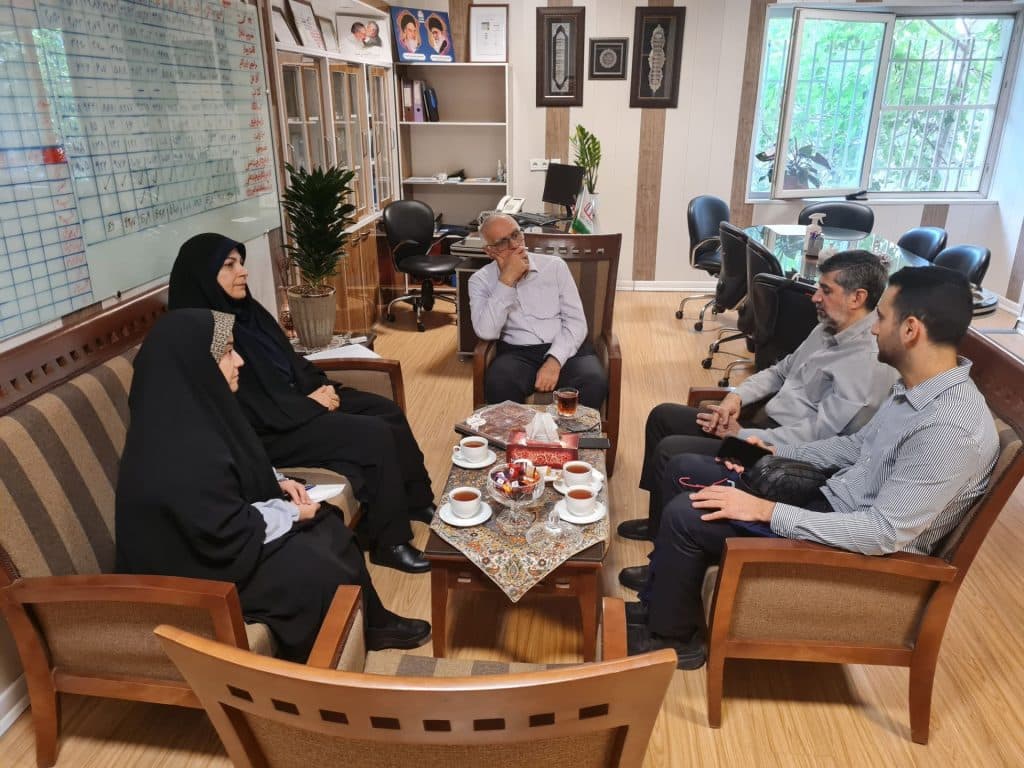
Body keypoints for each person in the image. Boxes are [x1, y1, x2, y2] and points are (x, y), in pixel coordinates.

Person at [625, 266, 998, 670]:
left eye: (882, 317)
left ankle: (675, 639)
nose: (874, 329)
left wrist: (766, 510)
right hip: (827, 496)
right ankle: (662, 599)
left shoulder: (949, 428)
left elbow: (882, 532)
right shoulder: (913, 387)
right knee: (684, 466)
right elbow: (854, 445)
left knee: (688, 512)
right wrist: (770, 451)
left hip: (853, 549)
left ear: (910, 329)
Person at [115, 309, 431, 662]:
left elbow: (239, 459)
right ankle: (318, 673)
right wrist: (292, 514)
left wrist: (278, 481)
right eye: (227, 352)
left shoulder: (198, 409)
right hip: (191, 571)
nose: (240, 361)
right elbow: (220, 528)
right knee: (313, 566)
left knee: (326, 525)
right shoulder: (174, 447)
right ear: (196, 365)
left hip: (214, 543)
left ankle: (371, 623)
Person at [168, 233, 434, 575]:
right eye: (229, 265)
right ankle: (390, 543)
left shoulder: (248, 311)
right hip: (270, 432)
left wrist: (323, 388)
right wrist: (311, 406)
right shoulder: (206, 332)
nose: (243, 271)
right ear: (203, 276)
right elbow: (245, 406)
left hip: (296, 403)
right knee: (374, 434)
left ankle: (417, 501)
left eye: (241, 262)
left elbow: (291, 361)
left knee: (387, 411)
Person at [619, 250, 894, 565]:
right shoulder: (828, 327)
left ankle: (663, 551)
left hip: (780, 453)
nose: (815, 297)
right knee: (663, 416)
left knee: (672, 451)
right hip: (761, 424)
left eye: (826, 290)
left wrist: (741, 435)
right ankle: (657, 524)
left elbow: (819, 436)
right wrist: (735, 398)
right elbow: (779, 371)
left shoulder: (867, 362)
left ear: (857, 297)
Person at [469, 212, 608, 410]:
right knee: (499, 383)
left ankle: (566, 431)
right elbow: (487, 332)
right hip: (517, 353)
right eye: (502, 242)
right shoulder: (480, 280)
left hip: (567, 347)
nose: (514, 245)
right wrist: (506, 280)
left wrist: (554, 361)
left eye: (516, 235)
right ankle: (522, 432)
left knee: (593, 381)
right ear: (489, 251)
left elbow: (576, 322)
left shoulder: (555, 266)